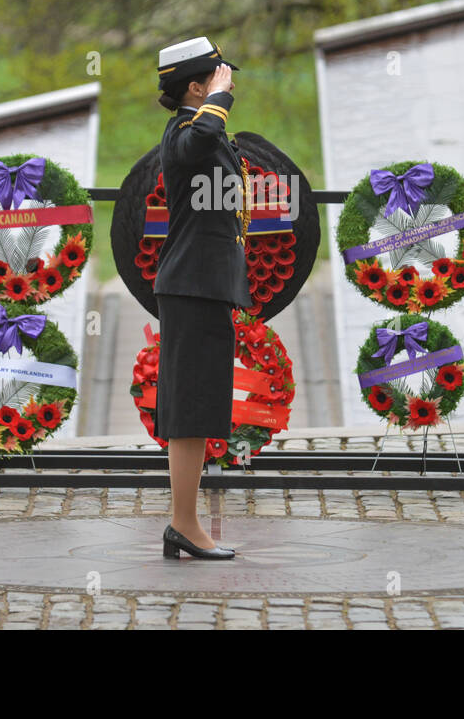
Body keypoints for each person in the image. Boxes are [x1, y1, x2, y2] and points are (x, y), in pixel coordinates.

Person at [152, 36, 253, 561]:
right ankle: (184, 526)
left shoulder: (203, 132)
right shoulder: (186, 132)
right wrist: (220, 97)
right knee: (190, 409)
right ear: (196, 87)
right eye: (216, 75)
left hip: (203, 287)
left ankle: (183, 525)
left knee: (196, 407)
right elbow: (202, 135)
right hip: (191, 287)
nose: (228, 79)